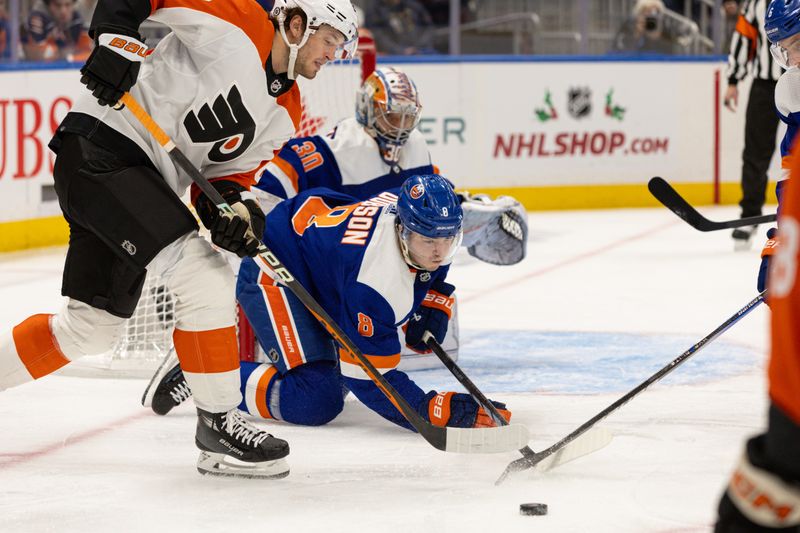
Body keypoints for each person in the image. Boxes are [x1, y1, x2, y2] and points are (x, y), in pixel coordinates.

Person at [0, 0, 358, 479]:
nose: (333, 53)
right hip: (103, 147)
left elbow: (226, 180)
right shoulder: (241, 19)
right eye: (330, 39)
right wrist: (115, 39)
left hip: (139, 182)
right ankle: (218, 425)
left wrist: (235, 214)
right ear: (296, 24)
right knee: (203, 277)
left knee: (90, 329)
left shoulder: (287, 110)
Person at [143, 174, 512, 433]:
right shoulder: (375, 280)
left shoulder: (423, 226)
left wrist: (432, 300)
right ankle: (200, 369)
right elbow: (371, 379)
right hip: (276, 267)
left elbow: (435, 264)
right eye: (428, 240)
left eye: (448, 239)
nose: (439, 251)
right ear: (402, 229)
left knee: (338, 375)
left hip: (321, 262)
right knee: (317, 400)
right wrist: (427, 409)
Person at [255, 66, 529, 267]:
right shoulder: (333, 150)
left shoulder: (416, 146)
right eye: (391, 117)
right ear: (367, 110)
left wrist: (466, 207)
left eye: (407, 119)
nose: (400, 128)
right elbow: (269, 183)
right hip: (334, 268)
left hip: (393, 265)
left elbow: (431, 202)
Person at [714, 3, 800, 529]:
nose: (788, 56)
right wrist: (779, 245)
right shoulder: (793, 91)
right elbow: (792, 183)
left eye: (794, 42)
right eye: (784, 47)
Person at [725, 0, 783, 250]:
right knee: (755, 153)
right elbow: (744, 37)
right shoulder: (757, 3)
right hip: (765, 86)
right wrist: (733, 79)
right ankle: (749, 216)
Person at [610, 0, 694, 55]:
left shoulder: (665, 28)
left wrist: (659, 38)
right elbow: (617, 51)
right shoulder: (628, 26)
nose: (651, 16)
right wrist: (635, 35)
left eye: (656, 12)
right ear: (639, 13)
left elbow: (672, 55)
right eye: (647, 11)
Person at [22, 0, 93, 61]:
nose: (63, 11)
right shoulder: (37, 20)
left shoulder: (77, 20)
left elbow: (88, 54)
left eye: (67, 5)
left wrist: (69, 58)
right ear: (49, 4)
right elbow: (40, 58)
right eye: (57, 5)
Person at [365, 0, 436, 55]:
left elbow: (428, 28)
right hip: (392, 57)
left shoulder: (413, 6)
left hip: (421, 53)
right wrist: (400, 50)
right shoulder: (375, 10)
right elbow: (378, 36)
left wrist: (419, 48)